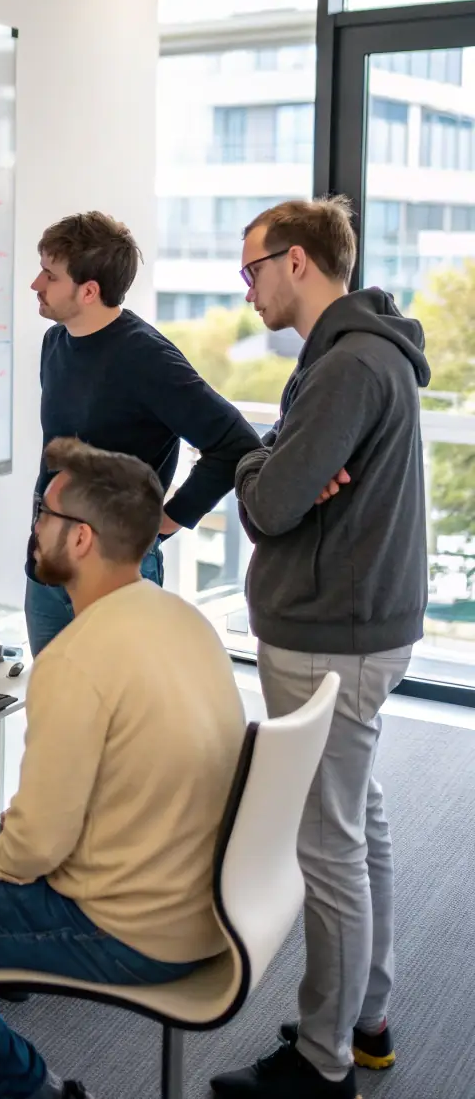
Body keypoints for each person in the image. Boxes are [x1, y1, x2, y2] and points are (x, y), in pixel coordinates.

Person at [0, 438, 247, 1099]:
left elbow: (38, 844)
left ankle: (35, 1091)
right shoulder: (183, 620)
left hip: (126, 926)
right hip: (200, 902)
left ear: (81, 539)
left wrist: (0, 859)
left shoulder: (75, 658)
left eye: (43, 513)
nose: (32, 527)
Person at [211, 197, 429, 1099]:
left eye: (252, 267)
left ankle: (324, 1061)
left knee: (327, 842)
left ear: (297, 262)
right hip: (363, 625)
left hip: (331, 633)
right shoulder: (369, 351)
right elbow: (291, 482)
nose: (248, 287)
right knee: (357, 815)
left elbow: (267, 503)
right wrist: (283, 462)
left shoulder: (344, 369)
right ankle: (363, 1019)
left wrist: (258, 464)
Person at [26, 211, 260, 655]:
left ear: (89, 290)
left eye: (49, 275)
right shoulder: (55, 343)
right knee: (57, 711)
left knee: (119, 717)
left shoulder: (146, 357)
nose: (36, 284)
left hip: (115, 575)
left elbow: (235, 444)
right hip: (47, 570)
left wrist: (163, 525)